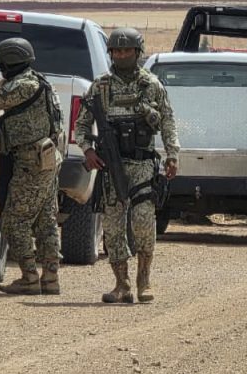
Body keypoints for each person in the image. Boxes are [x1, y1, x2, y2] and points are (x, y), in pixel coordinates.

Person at [74, 27, 179, 304]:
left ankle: (144, 281)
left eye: (127, 51)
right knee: (112, 226)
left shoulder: (152, 85)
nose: (121, 55)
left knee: (144, 222)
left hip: (142, 165)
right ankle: (122, 284)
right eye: (117, 51)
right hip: (111, 167)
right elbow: (81, 125)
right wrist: (87, 151)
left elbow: (167, 120)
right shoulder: (100, 87)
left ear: (137, 52)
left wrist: (172, 154)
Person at [0, 38, 64, 295]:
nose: (1, 67)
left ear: (10, 61)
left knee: (14, 222)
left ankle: (29, 277)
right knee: (45, 221)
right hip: (44, 159)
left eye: (2, 63)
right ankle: (50, 278)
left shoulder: (24, 85)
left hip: (31, 162)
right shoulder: (39, 81)